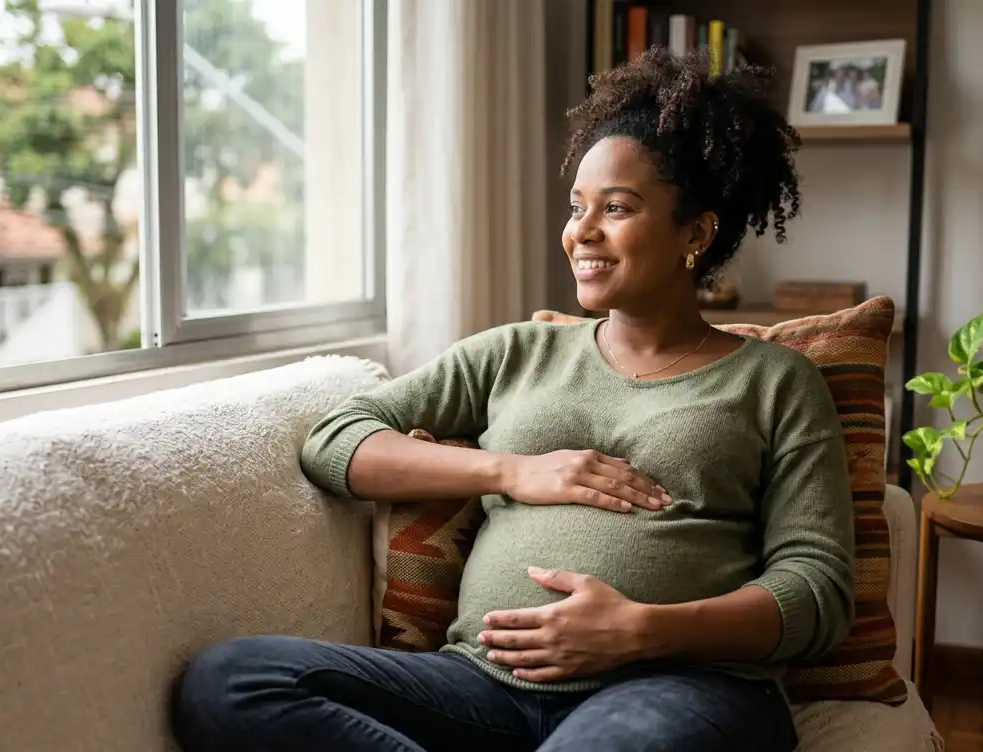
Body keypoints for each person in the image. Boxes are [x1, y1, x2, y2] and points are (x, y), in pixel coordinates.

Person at [171, 47, 855, 752]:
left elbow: (818, 589)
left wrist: (641, 629)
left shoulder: (774, 381)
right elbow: (336, 441)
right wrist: (512, 470)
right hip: (482, 688)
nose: (581, 231)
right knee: (229, 683)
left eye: (617, 208)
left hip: (683, 686)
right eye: (577, 206)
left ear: (696, 234)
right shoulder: (517, 352)